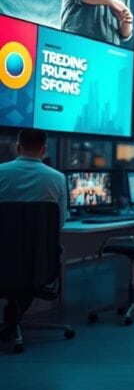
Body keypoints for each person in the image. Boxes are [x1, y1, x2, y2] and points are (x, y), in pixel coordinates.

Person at [0, 130, 67, 328]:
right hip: (39, 262)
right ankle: (16, 314)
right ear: (44, 149)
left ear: (17, 147)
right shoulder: (57, 178)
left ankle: (13, 317)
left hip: (2, 255)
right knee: (29, 273)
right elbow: (60, 222)